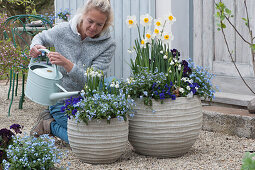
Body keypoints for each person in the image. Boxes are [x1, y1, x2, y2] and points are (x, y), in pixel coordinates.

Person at [29, 0, 116, 143]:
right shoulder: (62, 30)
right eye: (90, 21)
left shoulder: (108, 45)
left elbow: (92, 81)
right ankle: (48, 124)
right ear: (83, 15)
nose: (93, 27)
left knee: (96, 137)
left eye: (99, 24)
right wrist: (35, 46)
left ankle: (50, 123)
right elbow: (40, 37)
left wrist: (68, 64)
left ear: (105, 24)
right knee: (82, 140)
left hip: (87, 101)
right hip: (60, 100)